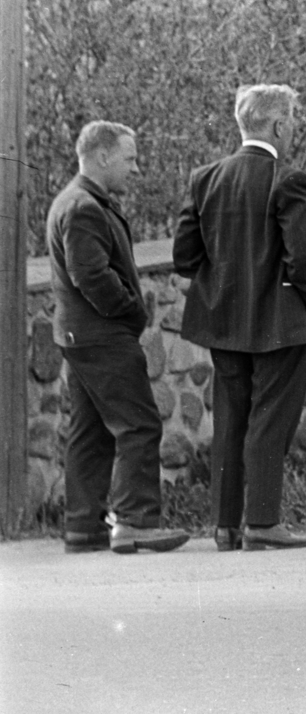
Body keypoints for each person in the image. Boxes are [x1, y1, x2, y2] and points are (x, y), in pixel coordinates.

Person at [173, 84, 306, 552]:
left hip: (224, 322)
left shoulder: (205, 178)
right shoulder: (288, 179)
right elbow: (303, 261)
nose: (293, 129)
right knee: (269, 420)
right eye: (291, 120)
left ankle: (225, 526)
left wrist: (223, 284)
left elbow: (183, 256)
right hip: (279, 322)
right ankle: (262, 521)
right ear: (278, 125)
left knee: (231, 420)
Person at [46, 121, 190, 554]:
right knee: (138, 423)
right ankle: (135, 521)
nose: (136, 167)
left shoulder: (76, 201)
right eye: (129, 158)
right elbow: (89, 273)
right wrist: (131, 310)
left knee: (90, 432)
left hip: (81, 336)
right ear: (103, 156)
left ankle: (84, 527)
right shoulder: (85, 206)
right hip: (102, 335)